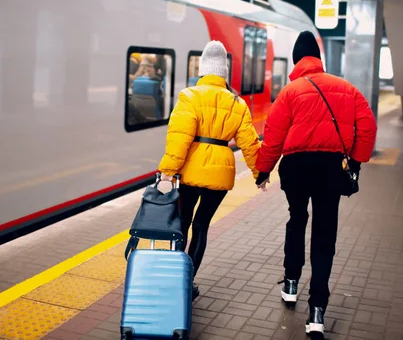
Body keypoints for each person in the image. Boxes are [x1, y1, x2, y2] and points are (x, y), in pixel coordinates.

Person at [255, 31, 377, 337]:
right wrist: (357, 161)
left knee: (297, 219)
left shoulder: (290, 92)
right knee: (324, 234)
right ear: (318, 59)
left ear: (297, 59)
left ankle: (291, 284)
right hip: (330, 169)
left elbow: (273, 137)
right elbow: (368, 126)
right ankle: (317, 313)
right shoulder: (347, 89)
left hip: (296, 167)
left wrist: (263, 170)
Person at [158, 40, 261, 300]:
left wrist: (167, 170)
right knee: (201, 227)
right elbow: (249, 143)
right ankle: (187, 282)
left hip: (191, 172)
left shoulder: (190, 96)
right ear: (224, 73)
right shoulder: (238, 103)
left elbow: (179, 138)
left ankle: (173, 276)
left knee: (182, 222)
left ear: (203, 70)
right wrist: (260, 174)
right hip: (221, 172)